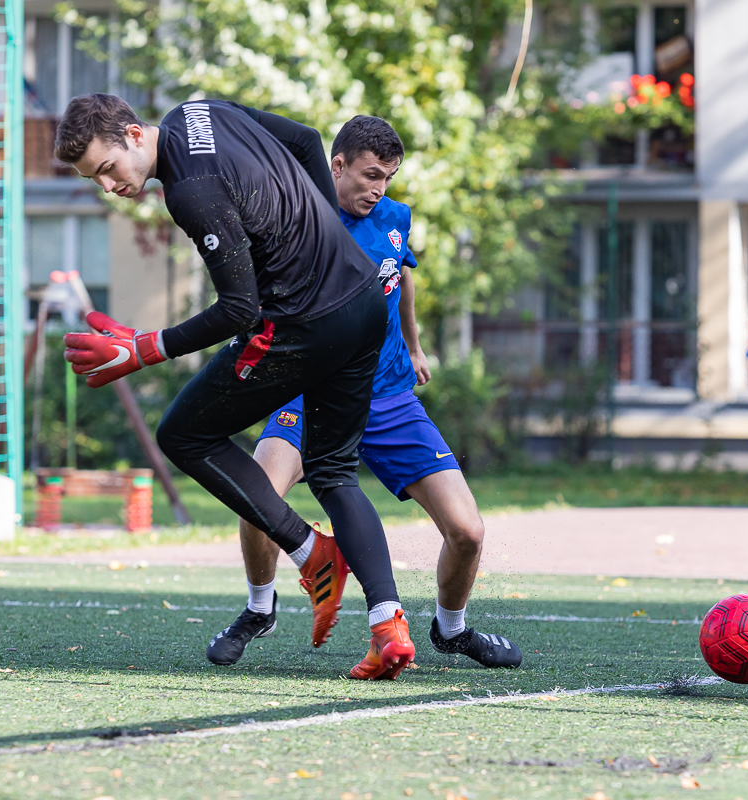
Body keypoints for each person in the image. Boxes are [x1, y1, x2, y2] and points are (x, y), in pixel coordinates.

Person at [55, 94, 415, 680]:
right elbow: (304, 136)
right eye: (96, 177)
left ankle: (311, 552)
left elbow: (240, 311)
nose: (109, 185)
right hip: (365, 305)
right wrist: (335, 239)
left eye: (107, 168)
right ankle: (388, 626)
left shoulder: (189, 191)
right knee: (332, 473)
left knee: (183, 434)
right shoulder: (198, 110)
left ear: (131, 133)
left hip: (305, 322)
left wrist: (145, 348)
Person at [205, 116, 522, 670]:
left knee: (469, 530)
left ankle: (451, 630)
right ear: (336, 166)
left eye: (388, 177)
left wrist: (416, 345)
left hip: (387, 395)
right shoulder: (296, 220)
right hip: (305, 391)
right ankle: (260, 607)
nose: (378, 189)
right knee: (258, 498)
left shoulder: (394, 216)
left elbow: (399, 277)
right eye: (370, 175)